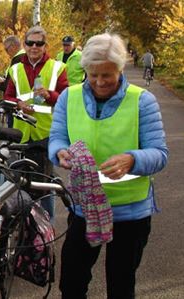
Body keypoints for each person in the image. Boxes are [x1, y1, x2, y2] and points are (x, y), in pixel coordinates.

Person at [48, 33, 168, 298]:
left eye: (107, 75)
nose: (100, 82)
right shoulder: (69, 97)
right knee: (71, 282)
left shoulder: (142, 100)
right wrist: (59, 152)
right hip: (84, 208)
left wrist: (132, 159)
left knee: (121, 284)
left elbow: (159, 154)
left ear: (120, 69)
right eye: (93, 75)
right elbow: (57, 137)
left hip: (130, 213)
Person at [4, 26, 68, 219]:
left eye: (39, 43)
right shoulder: (15, 69)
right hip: (21, 133)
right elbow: (7, 98)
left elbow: (67, 98)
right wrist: (18, 104)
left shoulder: (57, 67)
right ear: (24, 45)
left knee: (44, 184)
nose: (34, 47)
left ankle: (46, 228)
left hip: (46, 133)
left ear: (45, 46)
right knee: (20, 183)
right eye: (30, 43)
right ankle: (24, 225)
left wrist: (50, 95)